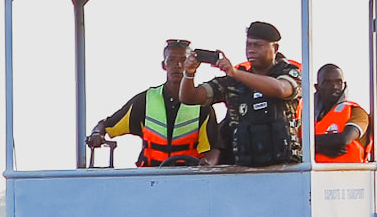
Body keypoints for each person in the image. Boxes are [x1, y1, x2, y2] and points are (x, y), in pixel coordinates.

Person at [180, 21, 302, 168]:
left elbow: (281, 89)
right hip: (245, 167)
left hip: (285, 167)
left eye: (258, 45)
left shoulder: (289, 72)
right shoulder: (233, 81)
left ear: (274, 48)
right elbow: (190, 97)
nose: (251, 50)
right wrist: (189, 73)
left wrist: (234, 73)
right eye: (248, 45)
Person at [85, 38, 218, 166]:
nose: (177, 65)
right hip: (150, 179)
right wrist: (97, 134)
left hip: (187, 179)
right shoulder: (145, 101)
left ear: (191, 64)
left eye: (183, 60)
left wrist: (207, 165)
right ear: (164, 65)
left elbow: (214, 148)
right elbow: (106, 124)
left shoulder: (202, 104)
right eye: (171, 60)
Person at [311, 63, 370, 163]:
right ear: (317, 87)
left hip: (350, 175)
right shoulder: (306, 115)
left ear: (344, 85)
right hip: (315, 176)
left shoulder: (356, 111)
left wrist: (307, 144)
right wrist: (319, 148)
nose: (334, 86)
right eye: (327, 82)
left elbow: (344, 139)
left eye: (338, 82)